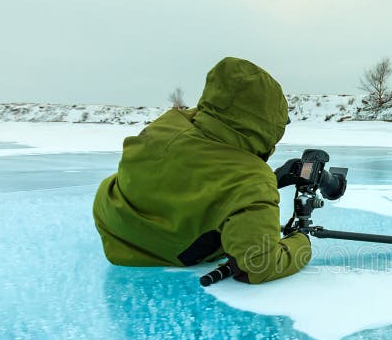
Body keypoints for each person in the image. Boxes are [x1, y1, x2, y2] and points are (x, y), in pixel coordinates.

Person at [93, 57, 311, 284]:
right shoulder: (251, 179)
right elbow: (259, 264)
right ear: (270, 124)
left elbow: (200, 173)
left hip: (113, 223)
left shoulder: (168, 124)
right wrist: (301, 241)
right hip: (163, 250)